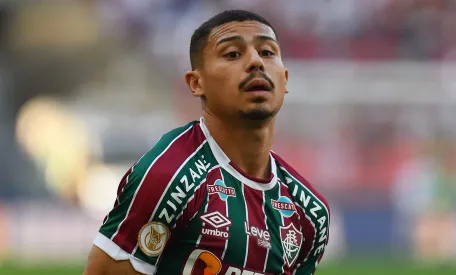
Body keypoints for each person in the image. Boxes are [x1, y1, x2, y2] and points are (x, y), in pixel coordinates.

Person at [83, 9, 330, 275]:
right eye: (233, 54)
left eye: (268, 52)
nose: (256, 62)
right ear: (196, 83)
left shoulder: (310, 212)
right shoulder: (169, 177)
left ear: (285, 79)